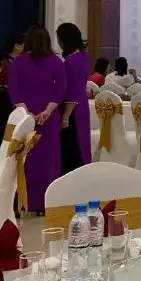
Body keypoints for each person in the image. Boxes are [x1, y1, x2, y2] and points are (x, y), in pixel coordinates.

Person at [9, 25, 66, 214]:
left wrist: (27, 114)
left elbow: (14, 91)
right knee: (48, 160)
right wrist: (47, 111)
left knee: (24, 159)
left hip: (24, 120)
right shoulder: (56, 62)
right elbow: (60, 89)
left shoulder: (18, 62)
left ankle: (23, 201)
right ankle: (45, 203)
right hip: (48, 119)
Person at [56, 23, 91, 174]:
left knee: (71, 146)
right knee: (82, 143)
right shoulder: (84, 56)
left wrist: (65, 117)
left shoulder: (71, 61)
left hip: (72, 109)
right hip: (82, 105)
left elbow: (71, 92)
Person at [0, 33, 24, 165]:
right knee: (2, 139)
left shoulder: (12, 62)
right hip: (7, 104)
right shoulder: (8, 63)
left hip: (8, 102)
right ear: (17, 46)